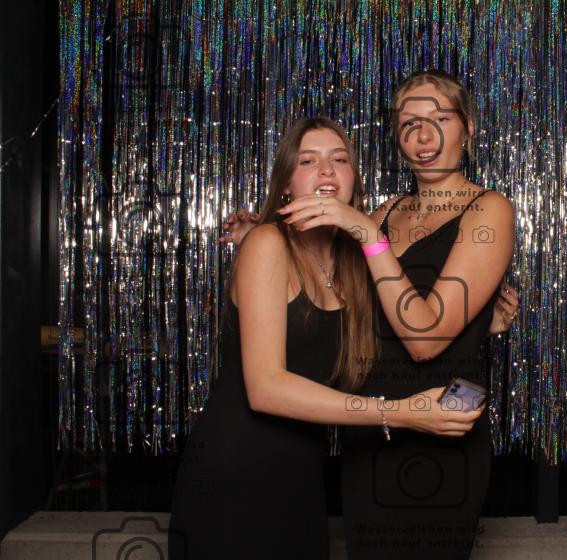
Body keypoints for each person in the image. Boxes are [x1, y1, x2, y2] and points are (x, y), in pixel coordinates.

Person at [168, 117, 483, 560]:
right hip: (233, 472)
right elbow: (266, 388)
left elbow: (408, 324)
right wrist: (400, 413)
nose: (327, 170)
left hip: (303, 478)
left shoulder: (354, 265)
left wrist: (484, 315)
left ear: (354, 181)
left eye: (339, 159)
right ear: (285, 184)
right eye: (308, 161)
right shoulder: (267, 244)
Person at [276, 69, 515, 559]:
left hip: (443, 432)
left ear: (468, 127)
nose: (424, 137)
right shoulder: (384, 212)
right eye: (409, 125)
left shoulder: (488, 209)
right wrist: (267, 237)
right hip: (372, 430)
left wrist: (366, 234)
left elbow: (425, 340)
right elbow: (335, 305)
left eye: (439, 120)